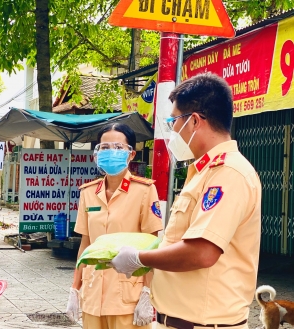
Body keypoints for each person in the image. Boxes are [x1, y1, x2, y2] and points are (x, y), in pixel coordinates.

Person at [110, 73, 262, 329]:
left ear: (194, 121)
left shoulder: (228, 174)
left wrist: (140, 258)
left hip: (204, 324)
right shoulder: (204, 172)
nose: (173, 131)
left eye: (173, 122)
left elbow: (202, 253)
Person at [66, 123, 163, 329]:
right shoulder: (88, 192)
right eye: (105, 147)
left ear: (131, 155)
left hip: (128, 298)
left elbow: (152, 246)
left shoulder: (145, 191)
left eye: (118, 148)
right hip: (92, 295)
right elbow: (86, 245)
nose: (111, 152)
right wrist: (75, 289)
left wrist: (147, 293)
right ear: (97, 152)